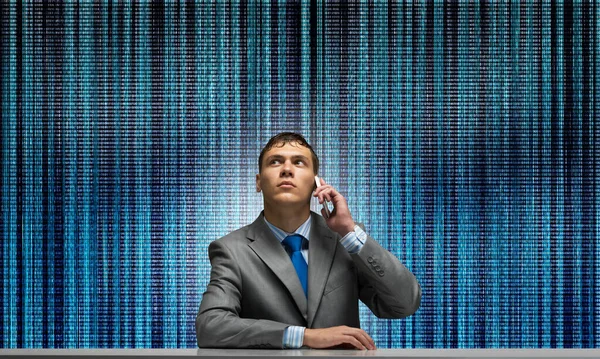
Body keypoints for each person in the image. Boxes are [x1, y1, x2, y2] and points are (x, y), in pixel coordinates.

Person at [196, 132, 421, 349]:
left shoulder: (345, 241)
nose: (286, 169)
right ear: (258, 182)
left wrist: (349, 232)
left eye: (299, 162)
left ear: (317, 184)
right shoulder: (231, 249)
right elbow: (211, 326)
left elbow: (404, 304)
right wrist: (303, 336)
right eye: (275, 162)